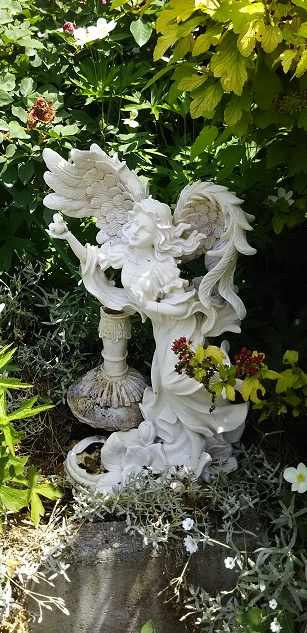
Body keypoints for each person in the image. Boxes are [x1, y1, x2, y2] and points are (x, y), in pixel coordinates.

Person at [48, 198, 248, 487]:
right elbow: (92, 258)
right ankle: (182, 439)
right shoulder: (126, 254)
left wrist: (150, 305)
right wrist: (67, 235)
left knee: (173, 381)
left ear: (158, 235)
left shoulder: (163, 266)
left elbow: (180, 305)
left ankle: (215, 411)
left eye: (143, 228)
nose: (134, 231)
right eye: (134, 225)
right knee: (164, 388)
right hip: (162, 330)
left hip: (182, 327)